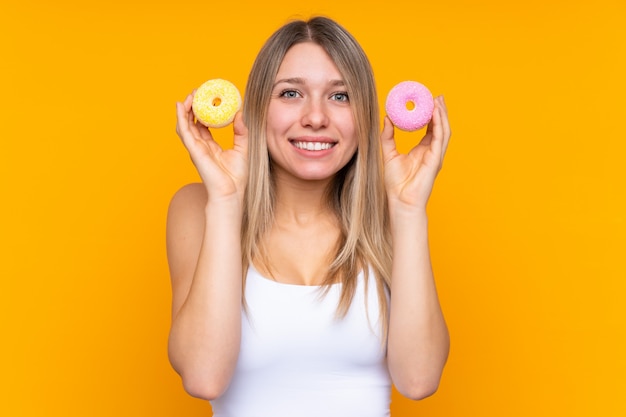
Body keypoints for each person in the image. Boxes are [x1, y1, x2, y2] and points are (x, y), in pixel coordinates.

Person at [167, 16, 451, 417]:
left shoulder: (389, 215)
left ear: (365, 117)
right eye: (290, 94)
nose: (316, 117)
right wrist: (227, 200)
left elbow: (419, 380)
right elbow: (202, 376)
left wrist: (408, 210)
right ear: (257, 109)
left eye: (340, 97)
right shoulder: (200, 208)